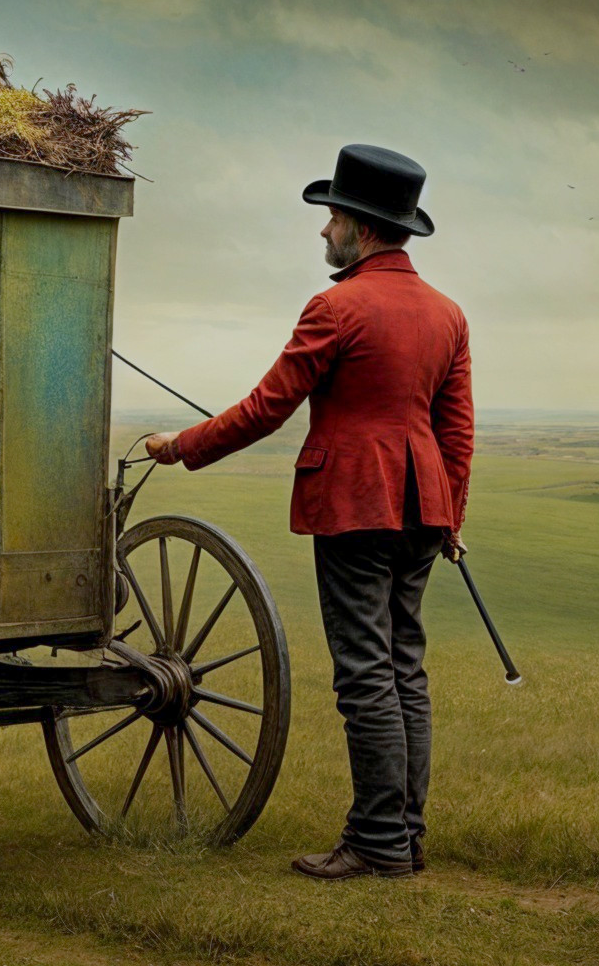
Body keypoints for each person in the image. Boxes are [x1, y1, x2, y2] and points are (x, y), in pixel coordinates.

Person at [146, 144, 474, 880]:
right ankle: (405, 837)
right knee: (403, 670)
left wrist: (180, 447)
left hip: (357, 504)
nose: (323, 231)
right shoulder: (448, 314)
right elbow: (456, 430)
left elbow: (267, 409)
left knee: (365, 673)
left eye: (330, 217)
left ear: (361, 226)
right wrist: (452, 519)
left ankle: (379, 843)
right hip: (425, 508)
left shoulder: (336, 305)